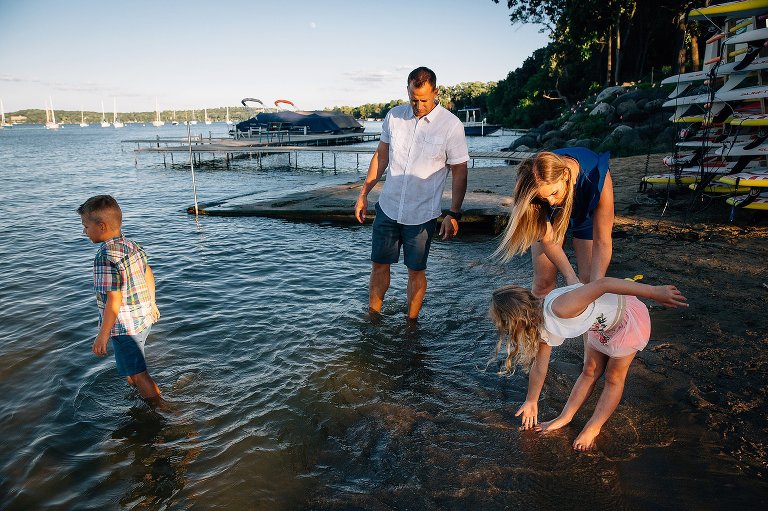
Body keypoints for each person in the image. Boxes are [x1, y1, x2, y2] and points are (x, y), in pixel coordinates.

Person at [490, 276, 687, 451]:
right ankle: (565, 417)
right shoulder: (541, 323)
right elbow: (540, 366)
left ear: (516, 321)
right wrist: (531, 400)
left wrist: (654, 292)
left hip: (627, 320)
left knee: (613, 378)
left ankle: (593, 427)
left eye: (506, 327)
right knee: (590, 370)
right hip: (601, 326)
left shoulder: (559, 307)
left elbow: (604, 284)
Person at [354, 66, 469, 320]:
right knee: (378, 265)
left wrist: (454, 214)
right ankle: (373, 318)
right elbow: (381, 157)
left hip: (422, 214)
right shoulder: (394, 117)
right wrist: (364, 193)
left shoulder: (451, 125)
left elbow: (459, 171)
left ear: (436, 92)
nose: (418, 106)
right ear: (407, 91)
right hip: (389, 207)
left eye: (424, 100)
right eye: (413, 99)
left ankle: (411, 324)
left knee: (415, 270)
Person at [494, 148, 614, 297]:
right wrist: (571, 278)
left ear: (564, 175)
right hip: (547, 215)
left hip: (585, 213)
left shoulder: (595, 173)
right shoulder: (531, 182)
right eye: (544, 198)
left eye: (553, 193)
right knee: (542, 284)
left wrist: (597, 287)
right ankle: (540, 318)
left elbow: (603, 241)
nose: (551, 202)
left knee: (590, 282)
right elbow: (549, 241)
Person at [78, 195, 162, 404]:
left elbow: (113, 299)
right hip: (142, 319)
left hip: (125, 327)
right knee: (132, 370)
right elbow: (148, 272)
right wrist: (152, 303)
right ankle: (138, 395)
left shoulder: (104, 257)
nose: (84, 232)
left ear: (102, 226)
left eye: (86, 226)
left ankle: (165, 410)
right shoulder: (132, 245)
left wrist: (102, 335)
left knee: (140, 373)